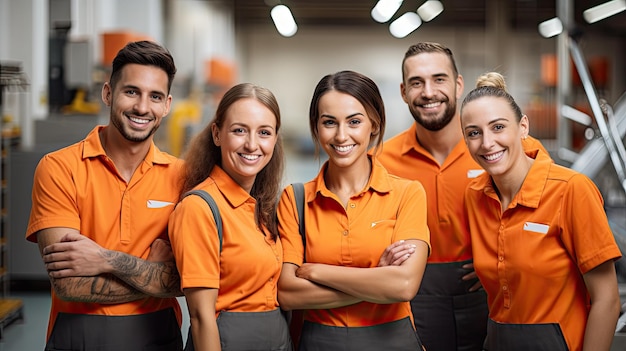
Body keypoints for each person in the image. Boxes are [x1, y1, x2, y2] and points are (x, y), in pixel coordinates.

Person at [377, 42, 549, 351]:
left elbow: (545, 200)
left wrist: (499, 255)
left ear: (458, 85)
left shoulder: (496, 148)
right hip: (415, 290)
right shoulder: (383, 159)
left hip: (486, 289)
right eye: (417, 83)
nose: (429, 92)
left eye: (439, 79)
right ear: (404, 92)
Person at [26, 41, 184, 350]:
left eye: (154, 97)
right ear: (108, 93)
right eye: (131, 92)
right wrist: (153, 275)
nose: (142, 107)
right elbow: (69, 284)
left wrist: (106, 260)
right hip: (78, 335)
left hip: (159, 335)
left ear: (167, 105)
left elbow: (185, 279)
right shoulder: (59, 168)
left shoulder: (183, 177)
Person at [461, 71, 622, 351]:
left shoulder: (571, 190)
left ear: (523, 127)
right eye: (474, 133)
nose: (486, 143)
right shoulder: (475, 196)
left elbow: (607, 299)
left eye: (498, 127)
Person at [277, 70, 431, 350]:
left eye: (354, 121)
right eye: (329, 122)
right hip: (320, 340)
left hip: (392, 339)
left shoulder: (407, 193)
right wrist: (377, 282)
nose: (341, 135)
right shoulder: (295, 199)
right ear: (316, 127)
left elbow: (404, 286)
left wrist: (318, 272)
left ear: (374, 124)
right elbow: (287, 292)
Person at [168, 83, 292, 351]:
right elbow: (201, 318)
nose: (252, 144)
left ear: (274, 139)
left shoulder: (266, 207)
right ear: (217, 134)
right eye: (239, 130)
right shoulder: (200, 208)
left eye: (264, 133)